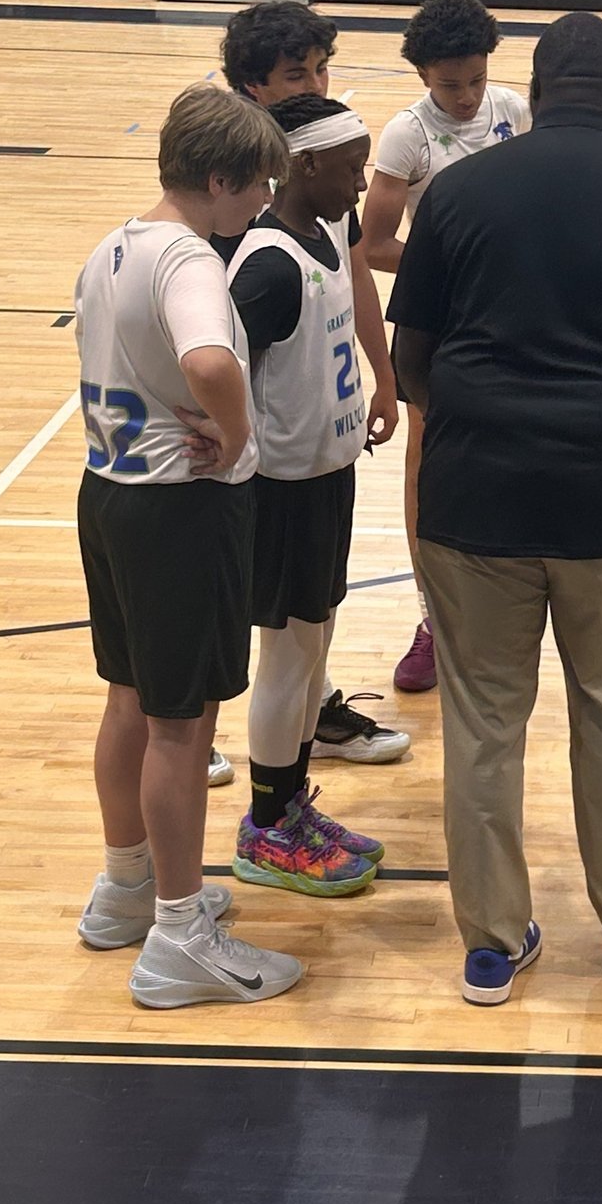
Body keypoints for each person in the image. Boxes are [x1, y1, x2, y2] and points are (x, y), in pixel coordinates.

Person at [389, 13, 602, 1006]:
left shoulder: (457, 192)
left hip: (472, 500)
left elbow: (412, 361)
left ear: (529, 90)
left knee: (483, 726)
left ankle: (492, 944)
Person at [74, 84, 303, 1008]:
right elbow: (209, 361)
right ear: (218, 178)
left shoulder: (112, 245)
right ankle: (177, 936)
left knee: (130, 699)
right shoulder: (190, 261)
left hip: (111, 495)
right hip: (182, 512)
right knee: (182, 725)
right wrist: (238, 433)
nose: (261, 208)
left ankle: (127, 886)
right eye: (255, 190)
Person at [219, 1, 409, 774]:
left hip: (322, 456)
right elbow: (208, 358)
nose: (316, 83)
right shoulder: (237, 214)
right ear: (252, 89)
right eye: (298, 73)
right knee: (271, 632)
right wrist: (225, 440)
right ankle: (196, 728)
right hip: (267, 470)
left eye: (321, 68)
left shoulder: (325, 205)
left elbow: (354, 273)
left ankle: (295, 759)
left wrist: (382, 373)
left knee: (307, 630)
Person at [219, 96, 386, 901]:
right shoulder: (268, 265)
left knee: (313, 650)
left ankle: (289, 806)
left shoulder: (326, 231)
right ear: (307, 165)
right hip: (283, 494)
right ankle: (266, 825)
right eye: (352, 166)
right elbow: (216, 370)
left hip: (329, 479)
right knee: (287, 659)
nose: (363, 180)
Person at [361, 0, 532, 693]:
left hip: (514, 311)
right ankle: (432, 618)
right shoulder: (406, 136)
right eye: (448, 85)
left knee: (512, 455)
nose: (465, 97)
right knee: (427, 464)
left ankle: (505, 606)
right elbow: (372, 244)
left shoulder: (516, 113)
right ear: (424, 78)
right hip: (439, 317)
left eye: (475, 81)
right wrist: (450, 265)